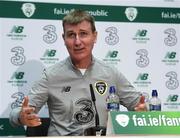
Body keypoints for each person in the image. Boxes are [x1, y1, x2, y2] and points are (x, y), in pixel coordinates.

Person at [9, 9, 147, 136]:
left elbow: (139, 106)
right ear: (64, 39)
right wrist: (21, 117)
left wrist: (143, 112)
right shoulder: (51, 76)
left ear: (95, 36)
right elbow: (17, 114)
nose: (77, 41)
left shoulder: (110, 73)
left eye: (83, 34)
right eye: (71, 35)